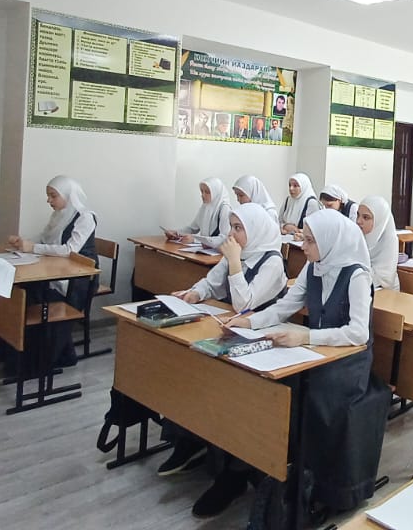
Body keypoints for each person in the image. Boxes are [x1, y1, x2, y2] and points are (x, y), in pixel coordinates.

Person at [227, 211, 389, 514]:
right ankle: (276, 468)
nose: (304, 246)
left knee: (310, 394)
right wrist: (250, 322)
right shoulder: (314, 266)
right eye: (305, 239)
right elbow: (285, 306)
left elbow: (358, 333)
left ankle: (317, 484)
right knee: (273, 386)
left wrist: (306, 337)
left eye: (311, 241)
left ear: (330, 241)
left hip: (348, 362)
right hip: (314, 354)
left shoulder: (356, 275)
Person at [156, 205, 288, 516]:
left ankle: (234, 472)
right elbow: (211, 281)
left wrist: (234, 261)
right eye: (231, 226)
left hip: (262, 344)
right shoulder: (237, 254)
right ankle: (190, 439)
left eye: (238, 228)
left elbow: (244, 304)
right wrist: (194, 293)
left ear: (255, 231)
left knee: (227, 392)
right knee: (188, 367)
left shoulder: (272, 262)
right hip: (232, 333)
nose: (232, 234)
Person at [8, 175, 100, 368]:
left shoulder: (85, 217)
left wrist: (32, 247)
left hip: (80, 279)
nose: (49, 200)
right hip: (57, 271)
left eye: (53, 196)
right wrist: (23, 242)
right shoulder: (59, 215)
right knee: (28, 292)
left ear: (68, 195)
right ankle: (42, 351)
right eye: (48, 195)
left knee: (43, 297)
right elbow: (44, 238)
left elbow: (69, 250)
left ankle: (46, 358)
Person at [165, 177, 231, 249]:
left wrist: (195, 239)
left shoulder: (225, 208)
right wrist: (176, 233)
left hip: (218, 252)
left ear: (216, 193)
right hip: (205, 250)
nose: (203, 195)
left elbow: (224, 238)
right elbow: (192, 228)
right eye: (202, 191)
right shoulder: (205, 206)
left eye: (207, 192)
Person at [357, 195, 399, 291]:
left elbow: (385, 279)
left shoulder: (389, 240)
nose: (358, 221)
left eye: (366, 217)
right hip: (361, 287)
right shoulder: (358, 236)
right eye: (358, 215)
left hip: (385, 292)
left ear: (379, 220)